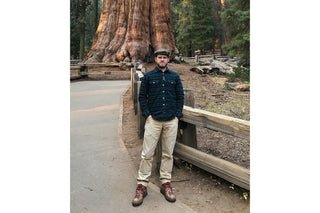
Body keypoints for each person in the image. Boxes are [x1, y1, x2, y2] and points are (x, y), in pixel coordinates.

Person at [132, 48, 184, 207]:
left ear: (168, 60)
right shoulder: (148, 77)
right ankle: (142, 185)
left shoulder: (175, 77)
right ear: (155, 59)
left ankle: (165, 182)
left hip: (171, 121)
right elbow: (142, 96)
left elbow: (180, 96)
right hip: (153, 120)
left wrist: (177, 114)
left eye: (165, 58)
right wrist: (147, 114)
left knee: (168, 153)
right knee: (147, 153)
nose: (162, 60)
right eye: (159, 57)